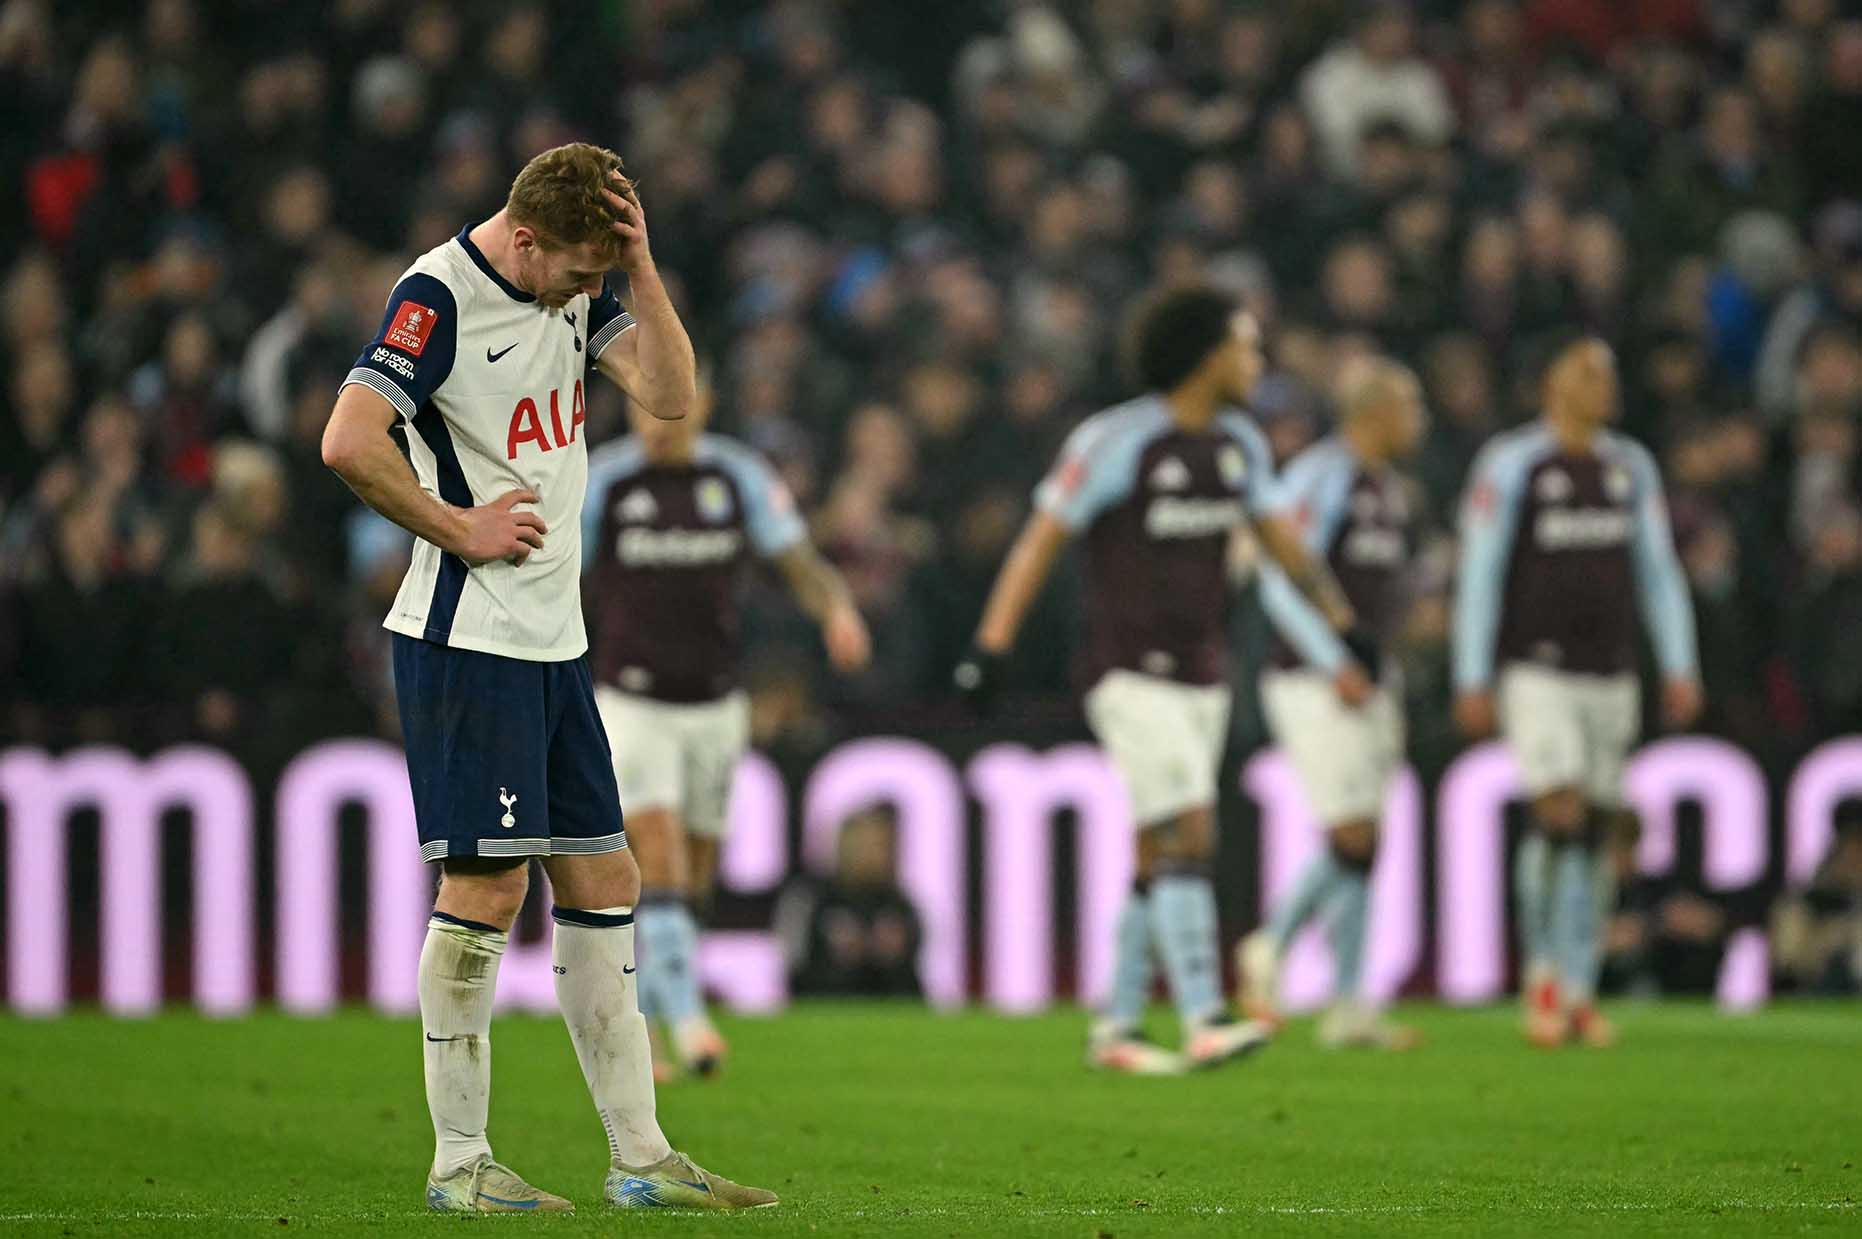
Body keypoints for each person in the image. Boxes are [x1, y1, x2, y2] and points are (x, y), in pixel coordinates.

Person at [320, 142, 774, 1212]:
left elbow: (668, 393)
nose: (585, 291)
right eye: (576, 270)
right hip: (465, 635)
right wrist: (454, 525)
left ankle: (641, 1159)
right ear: (523, 238)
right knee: (486, 884)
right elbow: (348, 439)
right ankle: (458, 1163)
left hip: (553, 643)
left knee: (604, 876)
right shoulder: (437, 295)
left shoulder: (574, 285)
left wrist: (638, 268)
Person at [954, 284, 1366, 1075]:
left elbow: (1285, 547)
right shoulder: (1116, 441)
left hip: (1203, 674)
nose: (1257, 361)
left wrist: (1347, 630)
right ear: (1209, 355)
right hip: (1127, 670)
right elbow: (1042, 539)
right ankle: (1206, 1013)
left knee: (1155, 850)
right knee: (1190, 830)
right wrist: (991, 645)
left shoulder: (1239, 443)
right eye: (1246, 346)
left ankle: (1115, 1025)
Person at [582, 369, 870, 1079]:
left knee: (696, 876)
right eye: (642, 405)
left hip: (715, 702)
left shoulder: (738, 476)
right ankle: (689, 1022)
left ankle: (643, 1024)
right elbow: (558, 572)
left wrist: (836, 608)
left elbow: (797, 560)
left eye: (672, 404)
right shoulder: (602, 482)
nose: (658, 419)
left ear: (703, 405)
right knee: (659, 856)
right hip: (631, 698)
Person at [1451, 333, 1703, 1048]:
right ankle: (1544, 974)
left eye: (1608, 372)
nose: (1603, 384)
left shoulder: (1631, 467)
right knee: (1556, 814)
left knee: (1595, 828)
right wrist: (1473, 673)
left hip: (1612, 670)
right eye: (1588, 372)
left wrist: (1679, 662)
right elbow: (1481, 573)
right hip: (1538, 667)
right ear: (1553, 383)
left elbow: (1658, 571)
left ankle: (1581, 985)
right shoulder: (1512, 464)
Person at [1239, 356, 1427, 1050]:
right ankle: (1271, 944)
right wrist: (1333, 658)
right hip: (1312, 678)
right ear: (1374, 411)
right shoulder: (1323, 474)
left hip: (1371, 676)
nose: (1421, 421)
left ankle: (1349, 1003)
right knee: (1352, 833)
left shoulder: (1390, 488)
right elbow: (1283, 580)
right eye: (1410, 405)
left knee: (1363, 842)